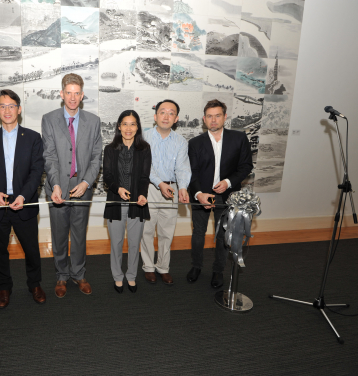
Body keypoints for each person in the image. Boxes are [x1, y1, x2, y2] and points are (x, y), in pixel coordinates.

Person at [0, 89, 46, 308]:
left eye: (11, 106)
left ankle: (34, 284)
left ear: (19, 109)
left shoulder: (33, 138)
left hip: (23, 204)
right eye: (2, 106)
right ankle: (4, 288)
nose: (7, 110)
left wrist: (23, 196)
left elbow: (36, 172)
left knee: (31, 249)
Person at [42, 73, 102, 298]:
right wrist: (55, 184)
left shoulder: (93, 121)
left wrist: (86, 182)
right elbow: (49, 156)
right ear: (61, 93)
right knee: (59, 234)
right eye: (69, 92)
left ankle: (78, 273)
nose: (73, 97)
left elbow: (97, 157)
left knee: (79, 233)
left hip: (82, 187)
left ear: (82, 94)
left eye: (77, 93)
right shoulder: (49, 119)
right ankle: (61, 275)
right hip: (57, 186)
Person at [187, 99, 253, 288]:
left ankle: (218, 271)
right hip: (201, 195)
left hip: (227, 195)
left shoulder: (238, 138)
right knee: (198, 233)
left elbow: (246, 165)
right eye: (209, 116)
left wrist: (228, 182)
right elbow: (192, 172)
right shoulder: (195, 143)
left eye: (217, 115)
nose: (213, 120)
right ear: (204, 119)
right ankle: (196, 266)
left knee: (223, 235)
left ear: (225, 117)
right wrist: (199, 193)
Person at [140, 100, 191, 285]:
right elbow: (145, 167)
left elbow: (183, 168)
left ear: (176, 119)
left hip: (172, 189)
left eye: (171, 113)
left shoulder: (180, 141)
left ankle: (163, 267)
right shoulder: (144, 138)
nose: (166, 116)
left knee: (166, 231)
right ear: (155, 116)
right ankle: (148, 267)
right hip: (150, 188)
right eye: (162, 112)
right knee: (146, 230)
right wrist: (160, 183)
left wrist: (183, 187)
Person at [103, 110, 151, 294]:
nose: (128, 128)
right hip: (115, 202)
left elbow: (145, 176)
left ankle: (131, 276)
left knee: (133, 242)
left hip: (136, 204)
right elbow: (107, 176)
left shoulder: (144, 149)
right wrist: (118, 188)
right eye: (125, 124)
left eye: (132, 124)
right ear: (119, 126)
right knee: (115, 243)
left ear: (137, 127)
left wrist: (142, 194)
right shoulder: (110, 149)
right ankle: (117, 276)